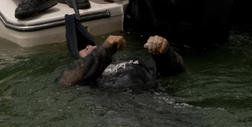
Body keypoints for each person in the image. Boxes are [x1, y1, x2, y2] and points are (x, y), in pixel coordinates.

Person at [57, 34, 185, 90]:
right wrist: (104, 51)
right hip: (121, 106)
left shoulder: (135, 60)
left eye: (91, 45)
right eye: (83, 50)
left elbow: (174, 71)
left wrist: (164, 51)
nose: (88, 47)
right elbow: (64, 82)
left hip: (156, 98)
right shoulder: (87, 76)